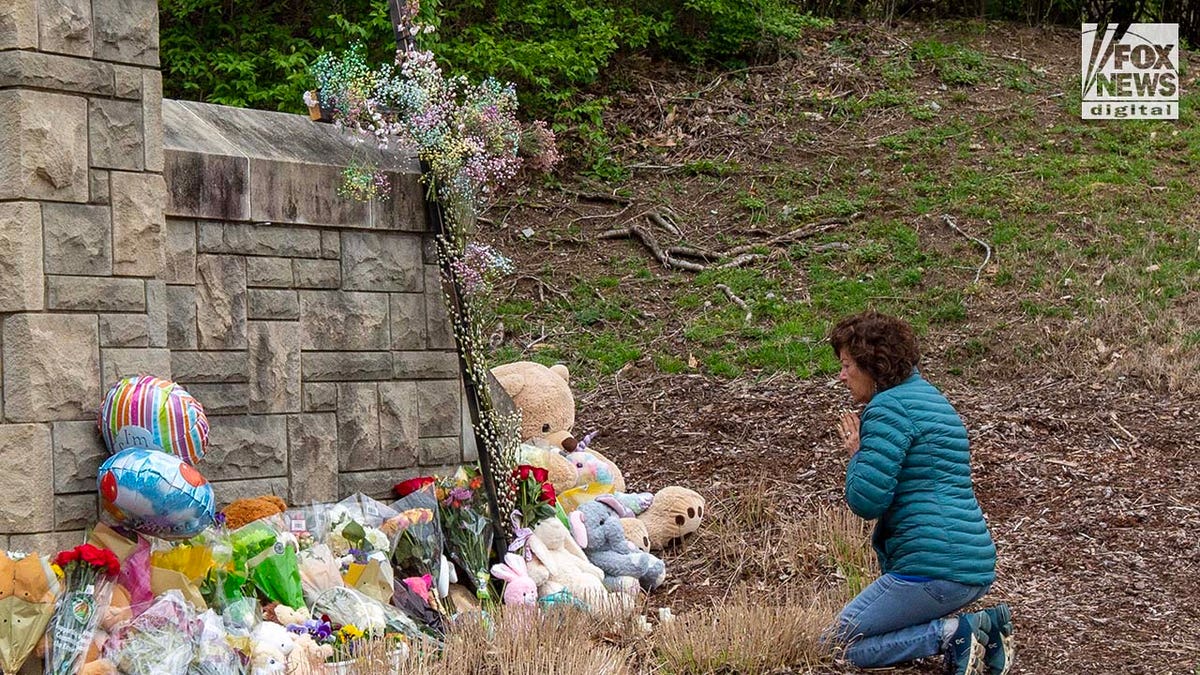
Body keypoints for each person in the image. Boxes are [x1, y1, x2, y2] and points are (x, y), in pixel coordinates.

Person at [827, 311, 1013, 675]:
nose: (842, 376)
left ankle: (952, 634)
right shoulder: (931, 399)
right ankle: (985, 631)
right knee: (867, 633)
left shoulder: (888, 407)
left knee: (835, 643)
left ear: (872, 363)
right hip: (971, 563)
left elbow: (867, 500)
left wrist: (857, 455)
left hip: (931, 567)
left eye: (848, 365)